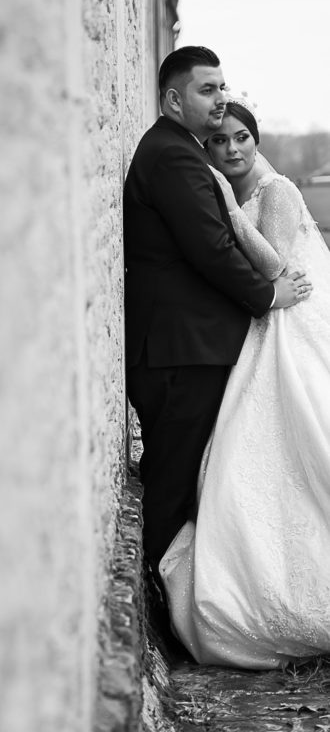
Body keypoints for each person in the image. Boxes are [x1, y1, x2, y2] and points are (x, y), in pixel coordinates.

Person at [123, 47, 309, 592]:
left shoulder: (181, 150)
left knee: (185, 475)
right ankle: (161, 593)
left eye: (222, 86)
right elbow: (211, 249)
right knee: (172, 475)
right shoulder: (175, 157)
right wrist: (268, 296)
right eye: (207, 89)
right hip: (183, 349)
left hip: (189, 345)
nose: (220, 96)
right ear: (174, 99)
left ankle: (177, 588)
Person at [160, 99, 330, 668]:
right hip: (261, 326)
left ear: (257, 141)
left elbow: (274, 267)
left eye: (241, 139)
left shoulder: (277, 191)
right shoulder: (240, 185)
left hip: (285, 328)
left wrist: (231, 211)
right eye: (219, 142)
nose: (230, 150)